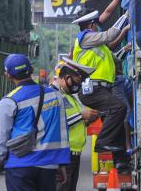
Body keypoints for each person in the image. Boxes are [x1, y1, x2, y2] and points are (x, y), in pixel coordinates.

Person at [71, 0, 130, 170]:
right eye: (96, 24)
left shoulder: (97, 45)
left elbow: (111, 52)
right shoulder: (86, 38)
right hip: (93, 90)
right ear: (91, 25)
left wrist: (123, 46)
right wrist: (126, 16)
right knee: (119, 108)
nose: (98, 25)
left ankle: (120, 161)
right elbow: (110, 34)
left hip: (102, 89)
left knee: (117, 122)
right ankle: (102, 142)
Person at [0, 54, 70, 191]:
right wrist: (62, 164)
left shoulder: (8, 102)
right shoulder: (55, 95)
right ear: (31, 70)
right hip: (48, 165)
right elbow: (62, 133)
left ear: (8, 75)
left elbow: (1, 142)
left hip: (19, 167)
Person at [51, 58, 98, 191]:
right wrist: (80, 116)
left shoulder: (69, 97)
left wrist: (87, 120)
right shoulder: (53, 95)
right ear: (66, 77)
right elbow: (53, 124)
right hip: (63, 154)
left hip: (73, 155)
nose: (78, 85)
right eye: (77, 81)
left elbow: (72, 123)